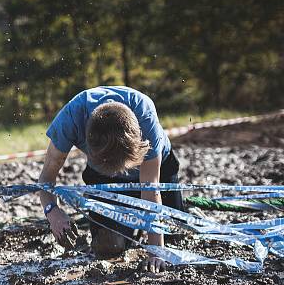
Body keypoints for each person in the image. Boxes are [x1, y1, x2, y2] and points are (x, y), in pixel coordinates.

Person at [37, 86, 184, 272]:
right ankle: (128, 227)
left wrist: (156, 253)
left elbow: (150, 191)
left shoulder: (145, 118)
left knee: (175, 236)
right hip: (104, 178)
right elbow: (46, 177)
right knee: (109, 247)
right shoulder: (70, 119)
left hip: (154, 170)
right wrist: (52, 211)